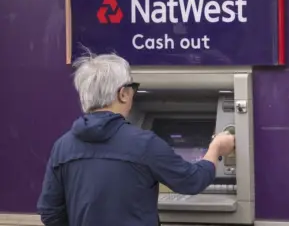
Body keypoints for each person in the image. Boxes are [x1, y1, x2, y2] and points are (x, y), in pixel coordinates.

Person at [37, 51, 235, 226]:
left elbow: (50, 212)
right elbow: (192, 181)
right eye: (133, 88)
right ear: (123, 94)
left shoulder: (63, 146)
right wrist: (216, 149)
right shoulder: (143, 143)